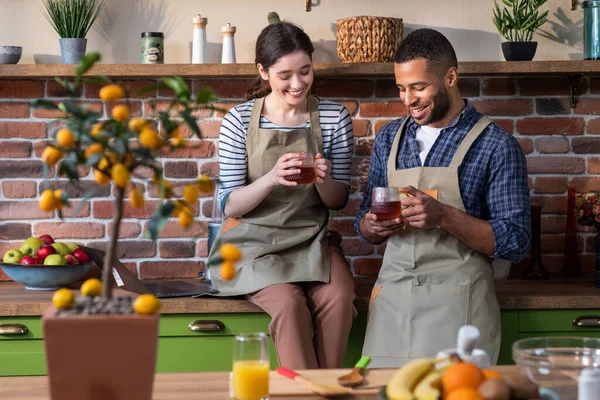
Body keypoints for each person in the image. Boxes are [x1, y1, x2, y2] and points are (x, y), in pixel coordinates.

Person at [355, 28, 531, 367]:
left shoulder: (495, 145)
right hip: (393, 306)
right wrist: (373, 225)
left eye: (419, 87)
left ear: (451, 76)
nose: (408, 99)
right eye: (402, 88)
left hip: (459, 309)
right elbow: (364, 224)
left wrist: (444, 216)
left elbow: (516, 241)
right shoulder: (389, 138)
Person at [208, 21, 357, 369]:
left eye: (305, 71)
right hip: (251, 244)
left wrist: (323, 179)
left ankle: (328, 387)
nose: (297, 83)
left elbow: (338, 200)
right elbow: (229, 204)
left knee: (340, 296)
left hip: (313, 239)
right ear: (263, 71)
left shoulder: (334, 117)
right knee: (289, 305)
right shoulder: (238, 121)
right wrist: (271, 178)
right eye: (284, 74)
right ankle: (306, 393)